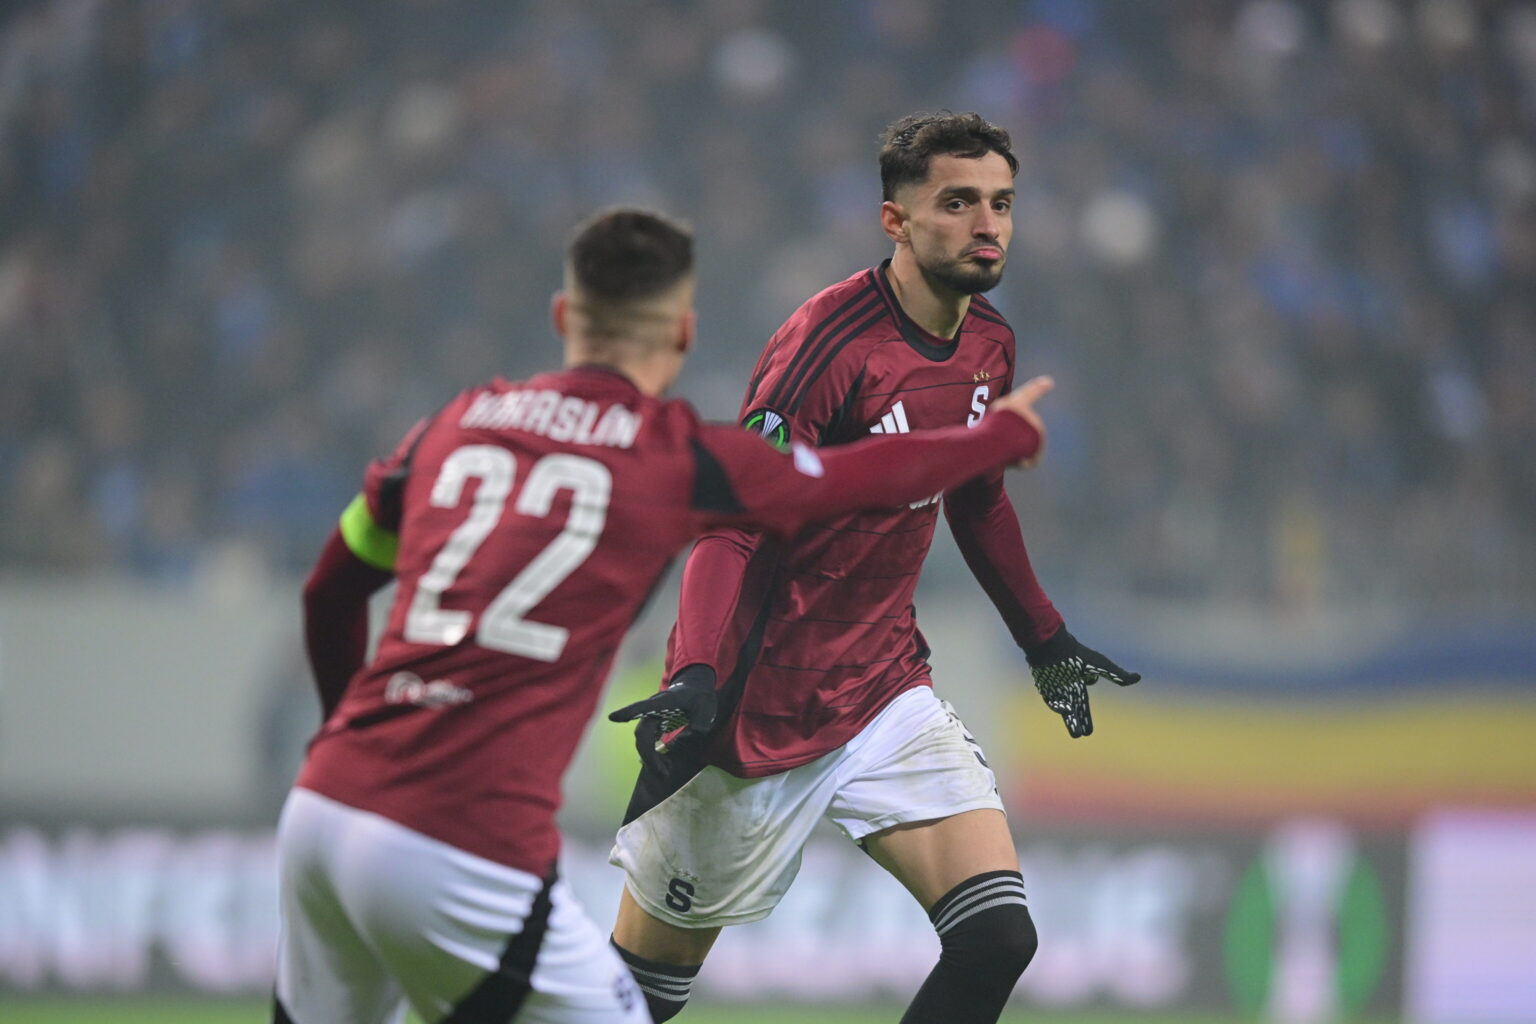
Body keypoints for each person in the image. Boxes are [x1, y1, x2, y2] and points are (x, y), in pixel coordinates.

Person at [275, 206, 1057, 1024]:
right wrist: (990, 439)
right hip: (460, 842)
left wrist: (344, 733)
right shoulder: (675, 457)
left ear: (562, 317)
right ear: (684, 333)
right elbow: (851, 477)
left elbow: (328, 594)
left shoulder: (451, 424)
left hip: (326, 807)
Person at [606, 113, 1141, 1024]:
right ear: (896, 220)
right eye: (958, 203)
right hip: (747, 713)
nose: (988, 225)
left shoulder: (990, 343)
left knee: (997, 937)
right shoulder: (827, 343)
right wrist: (696, 669)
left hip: (881, 689)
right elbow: (736, 521)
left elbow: (977, 499)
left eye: (1002, 203)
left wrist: (1044, 638)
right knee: (635, 1003)